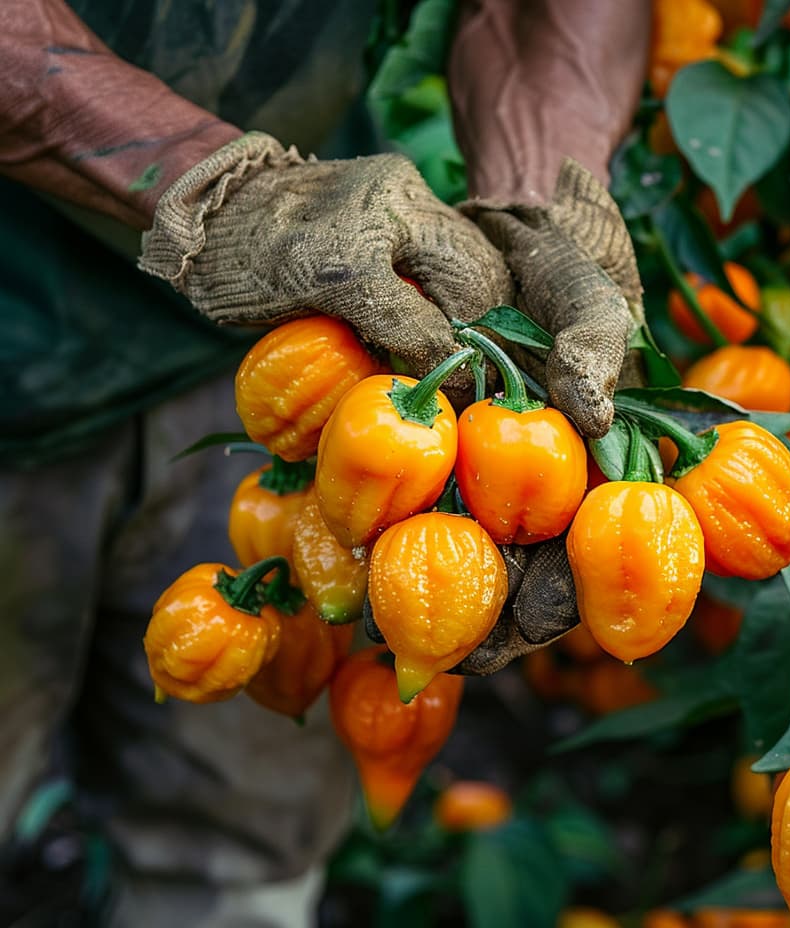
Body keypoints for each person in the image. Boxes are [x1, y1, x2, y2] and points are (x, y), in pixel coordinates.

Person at [0, 0, 651, 924]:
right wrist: (224, 190)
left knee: (246, 827)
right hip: (41, 324)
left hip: (312, 340)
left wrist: (543, 200)